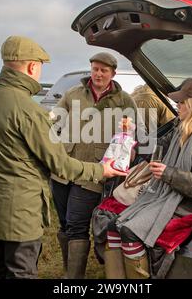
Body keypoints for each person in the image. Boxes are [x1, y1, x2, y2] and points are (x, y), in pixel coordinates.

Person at [0, 36, 125, 279]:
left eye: (104, 70)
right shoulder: (30, 110)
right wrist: (102, 171)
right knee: (22, 271)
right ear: (32, 67)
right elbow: (58, 163)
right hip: (19, 211)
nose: (98, 74)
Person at [99, 79, 192, 279]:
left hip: (187, 203)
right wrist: (128, 137)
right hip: (165, 194)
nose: (176, 106)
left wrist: (168, 173)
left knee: (129, 232)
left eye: (181, 103)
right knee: (112, 227)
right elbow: (154, 149)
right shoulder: (181, 128)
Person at [50, 52, 139, 278]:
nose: (98, 74)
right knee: (64, 223)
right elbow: (53, 123)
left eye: (104, 70)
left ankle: (74, 278)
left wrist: (127, 140)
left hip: (95, 172)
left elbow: (133, 138)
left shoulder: (124, 101)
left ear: (112, 74)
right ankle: (68, 270)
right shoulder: (73, 94)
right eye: (95, 69)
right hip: (64, 168)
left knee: (76, 223)